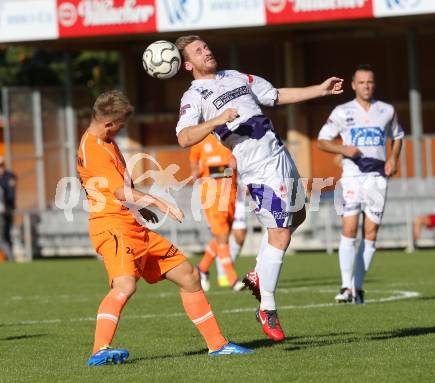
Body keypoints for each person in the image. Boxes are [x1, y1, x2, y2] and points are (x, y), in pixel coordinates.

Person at [174, 35, 343, 342]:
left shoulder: (237, 76)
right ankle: (267, 307)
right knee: (281, 232)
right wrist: (216, 120)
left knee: (298, 217)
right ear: (188, 64)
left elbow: (275, 95)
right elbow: (184, 137)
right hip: (257, 169)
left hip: (280, 155)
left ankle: (256, 274)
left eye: (207, 47)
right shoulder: (193, 96)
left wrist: (320, 89)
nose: (207, 52)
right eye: (199, 51)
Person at [77, 90, 252, 366]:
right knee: (125, 285)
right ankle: (99, 350)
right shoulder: (95, 149)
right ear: (109, 123)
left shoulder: (106, 141)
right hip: (113, 227)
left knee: (189, 275)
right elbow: (120, 193)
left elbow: (119, 190)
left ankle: (218, 345)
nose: (124, 128)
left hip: (131, 225)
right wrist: (160, 203)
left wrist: (141, 208)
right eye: (121, 123)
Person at [318, 64, 404, 304]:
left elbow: (398, 137)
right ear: (354, 85)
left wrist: (393, 158)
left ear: (373, 84)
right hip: (353, 176)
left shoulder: (387, 110)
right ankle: (346, 287)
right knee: (349, 228)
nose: (366, 86)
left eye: (370, 82)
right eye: (362, 82)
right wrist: (342, 148)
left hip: (377, 178)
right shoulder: (342, 111)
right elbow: (322, 141)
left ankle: (358, 288)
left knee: (371, 232)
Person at [189, 134, 242, 291]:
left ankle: (202, 268)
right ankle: (232, 278)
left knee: (222, 236)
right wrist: (195, 174)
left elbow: (240, 160)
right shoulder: (199, 141)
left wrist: (236, 164)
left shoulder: (230, 137)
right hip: (210, 195)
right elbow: (193, 167)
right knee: (223, 234)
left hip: (230, 194)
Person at [0, 156, 16, 250]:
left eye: (2, 165)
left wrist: (6, 206)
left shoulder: (9, 176)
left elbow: (10, 194)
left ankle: (10, 257)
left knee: (7, 233)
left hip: (7, 209)